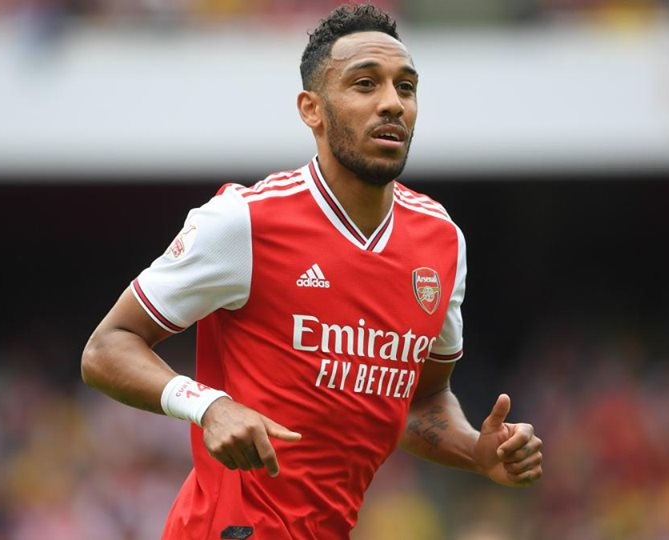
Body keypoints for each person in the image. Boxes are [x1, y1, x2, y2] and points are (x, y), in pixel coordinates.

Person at [81, 4, 543, 539]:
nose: (392, 103)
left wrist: (476, 452)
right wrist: (209, 406)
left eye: (406, 87)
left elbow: (420, 401)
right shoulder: (244, 221)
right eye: (365, 84)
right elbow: (106, 348)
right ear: (312, 110)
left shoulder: (441, 242)